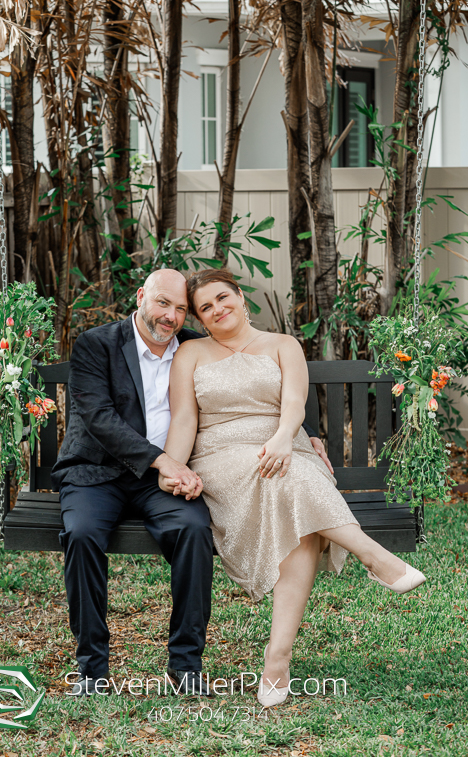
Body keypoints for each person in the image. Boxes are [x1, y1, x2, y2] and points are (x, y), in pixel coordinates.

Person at [51, 268, 330, 698]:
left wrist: (306, 434)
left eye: (181, 309)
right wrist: (164, 461)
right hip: (97, 474)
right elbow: (98, 418)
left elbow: (253, 391)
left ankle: (185, 665)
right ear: (141, 296)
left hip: (165, 478)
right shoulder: (96, 344)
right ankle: (92, 668)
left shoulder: (192, 347)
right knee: (82, 534)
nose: (171, 316)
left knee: (195, 529)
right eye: (163, 303)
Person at [164, 268, 426, 708]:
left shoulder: (283, 344)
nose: (217, 309)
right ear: (200, 319)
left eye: (223, 297)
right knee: (292, 486)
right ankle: (373, 557)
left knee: (298, 504)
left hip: (284, 444)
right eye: (205, 307)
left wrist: (285, 438)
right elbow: (185, 418)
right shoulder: (190, 353)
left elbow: (293, 405)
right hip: (222, 455)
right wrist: (170, 466)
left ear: (240, 297)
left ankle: (278, 657)